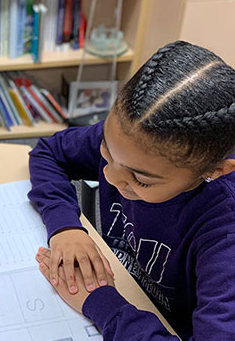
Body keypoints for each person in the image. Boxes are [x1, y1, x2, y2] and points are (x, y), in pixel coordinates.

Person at [29, 41, 235, 339]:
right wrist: (65, 227)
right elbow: (49, 152)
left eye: (141, 180)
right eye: (106, 151)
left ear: (214, 172)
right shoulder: (133, 141)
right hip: (124, 283)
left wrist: (103, 304)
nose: (111, 176)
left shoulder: (225, 234)